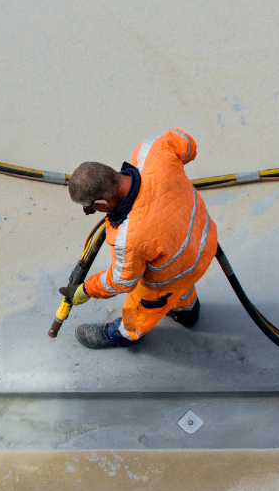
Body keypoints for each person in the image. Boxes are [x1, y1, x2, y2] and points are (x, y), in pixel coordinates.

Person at [60, 129, 218, 348]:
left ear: (103, 204)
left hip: (170, 276)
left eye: (91, 208)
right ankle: (187, 313)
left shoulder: (130, 237)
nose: (92, 211)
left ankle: (124, 335)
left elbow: (121, 280)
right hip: (203, 243)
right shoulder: (152, 152)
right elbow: (185, 142)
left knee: (142, 308)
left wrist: (86, 290)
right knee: (182, 286)